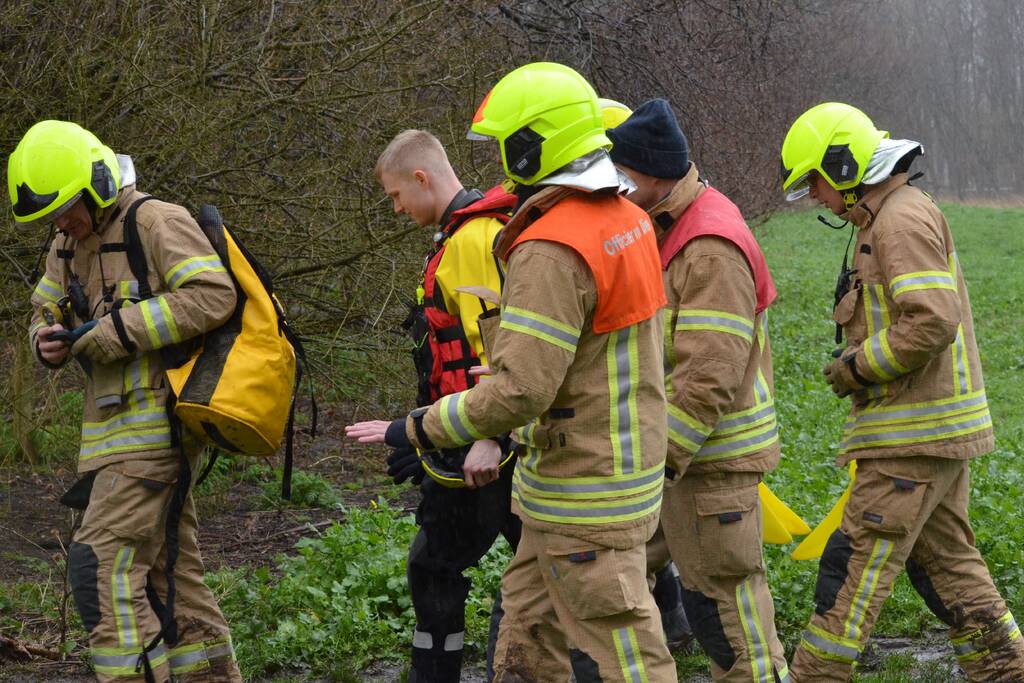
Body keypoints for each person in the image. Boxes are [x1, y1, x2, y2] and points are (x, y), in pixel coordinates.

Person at [348, 62, 677, 682]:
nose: (501, 160)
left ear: (532, 145)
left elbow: (520, 387)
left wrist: (416, 428)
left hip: (584, 492)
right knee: (525, 632)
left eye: (505, 143)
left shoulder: (553, 246)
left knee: (624, 652)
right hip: (596, 475)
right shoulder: (626, 219)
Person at [779, 102, 1024, 681]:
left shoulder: (899, 221)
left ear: (842, 167)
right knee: (949, 567)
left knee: (850, 572)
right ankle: (1006, 671)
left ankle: (815, 674)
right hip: (927, 435)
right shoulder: (886, 216)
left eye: (814, 181)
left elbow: (932, 320)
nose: (814, 196)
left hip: (910, 441)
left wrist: (857, 367)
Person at [12, 120, 241, 682]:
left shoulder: (156, 222)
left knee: (98, 567)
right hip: (114, 441)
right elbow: (43, 307)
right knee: (171, 576)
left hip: (158, 433)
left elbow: (213, 295)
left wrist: (116, 330)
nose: (59, 223)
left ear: (96, 185)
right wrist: (45, 338)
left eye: (65, 209)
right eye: (51, 216)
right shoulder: (67, 243)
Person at [609, 99, 790, 682]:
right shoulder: (673, 221)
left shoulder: (708, 244)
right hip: (685, 462)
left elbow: (708, 375)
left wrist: (654, 461)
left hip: (710, 465)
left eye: (622, 174)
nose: (614, 186)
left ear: (654, 174)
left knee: (728, 619)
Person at [373, 129, 521, 682]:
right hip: (469, 435)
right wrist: (426, 436)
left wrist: (488, 438)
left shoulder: (474, 239)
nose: (396, 208)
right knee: (538, 562)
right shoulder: (460, 237)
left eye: (396, 196)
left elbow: (496, 349)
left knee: (433, 564)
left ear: (421, 177)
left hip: (486, 446)